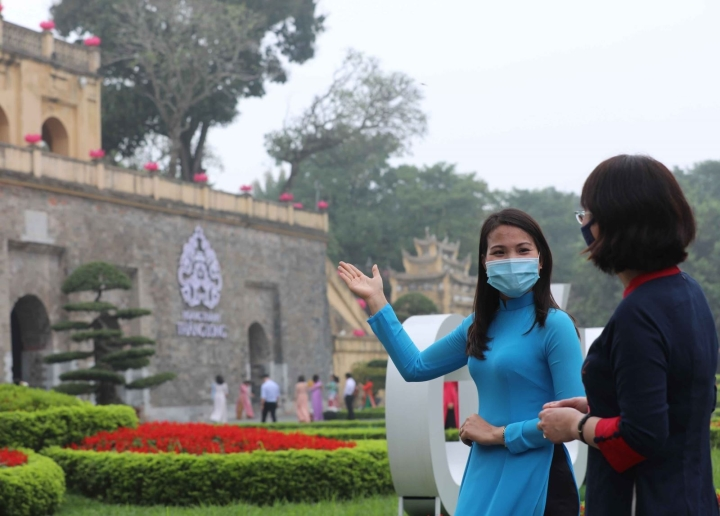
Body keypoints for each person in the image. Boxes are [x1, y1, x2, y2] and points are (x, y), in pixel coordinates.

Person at [339, 208, 585, 516]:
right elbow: (415, 367)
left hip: (539, 473)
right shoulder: (478, 325)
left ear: (541, 259)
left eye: (523, 250)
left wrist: (498, 434)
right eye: (499, 252)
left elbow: (572, 418)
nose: (511, 259)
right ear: (484, 262)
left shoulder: (555, 325)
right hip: (484, 467)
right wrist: (377, 301)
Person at [538, 155, 718, 515]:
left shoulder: (638, 313)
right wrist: (599, 405)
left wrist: (575, 425)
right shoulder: (689, 292)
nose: (584, 224)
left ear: (612, 224)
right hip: (693, 497)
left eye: (587, 214)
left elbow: (642, 435)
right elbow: (685, 400)